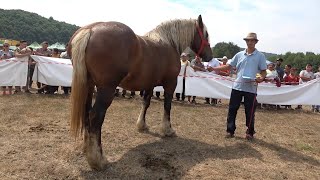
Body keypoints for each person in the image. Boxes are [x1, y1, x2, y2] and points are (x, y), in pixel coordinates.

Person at [210, 32, 267, 140]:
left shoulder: (260, 56)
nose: (250, 42)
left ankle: (250, 132)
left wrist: (261, 78)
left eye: (252, 40)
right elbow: (229, 66)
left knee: (250, 111)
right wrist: (215, 68)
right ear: (246, 42)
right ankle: (230, 130)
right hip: (237, 86)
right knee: (232, 109)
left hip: (251, 88)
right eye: (248, 40)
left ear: (255, 42)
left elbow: (264, 71)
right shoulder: (239, 54)